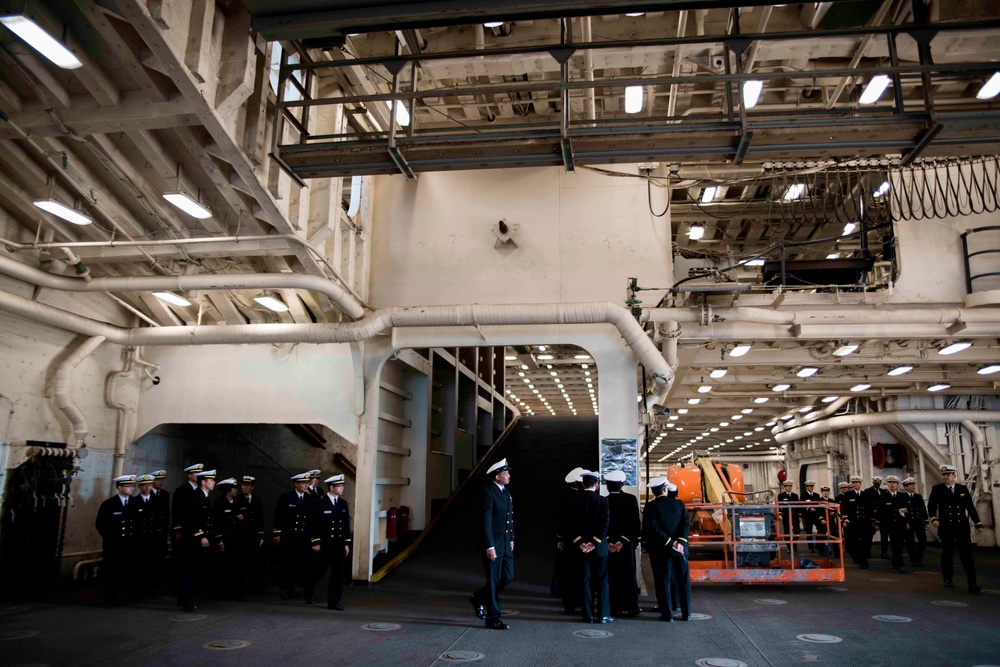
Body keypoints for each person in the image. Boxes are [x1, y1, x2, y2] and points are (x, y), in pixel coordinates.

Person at [470, 458, 514, 630]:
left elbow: (509, 518)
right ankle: (493, 618)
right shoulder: (488, 493)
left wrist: (511, 538)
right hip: (493, 544)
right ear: (497, 476)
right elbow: (485, 522)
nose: (509, 476)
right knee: (494, 580)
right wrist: (490, 546)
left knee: (508, 576)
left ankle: (480, 597)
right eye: (506, 473)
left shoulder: (506, 492)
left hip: (504, 543)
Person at [927, 465, 983, 593]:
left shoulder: (962, 489)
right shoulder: (938, 489)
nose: (946, 477)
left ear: (954, 476)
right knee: (947, 553)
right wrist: (934, 519)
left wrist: (978, 523)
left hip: (961, 527)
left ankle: (972, 583)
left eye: (948, 474)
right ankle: (947, 578)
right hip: (946, 527)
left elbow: (970, 507)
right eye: (944, 475)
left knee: (967, 555)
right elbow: (931, 506)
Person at [642, 478, 690, 621]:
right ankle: (687, 614)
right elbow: (685, 524)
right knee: (683, 581)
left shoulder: (650, 507)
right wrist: (680, 542)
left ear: (653, 492)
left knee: (663, 581)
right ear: (665, 489)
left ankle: (667, 614)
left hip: (660, 550)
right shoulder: (679, 504)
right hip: (680, 550)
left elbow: (653, 529)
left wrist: (670, 542)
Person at [569, 470, 611, 624]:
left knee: (584, 581)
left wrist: (581, 542)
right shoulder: (603, 501)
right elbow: (604, 525)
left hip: (580, 549)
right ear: (597, 485)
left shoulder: (574, 501)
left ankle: (587, 615)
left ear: (583, 484)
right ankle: (603, 615)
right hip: (599, 549)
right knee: (602, 581)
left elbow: (571, 526)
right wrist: (594, 542)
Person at [306, 474, 352, 610]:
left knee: (338, 573)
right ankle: (308, 591)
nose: (342, 488)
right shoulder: (320, 503)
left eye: (343, 486)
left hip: (337, 544)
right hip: (324, 544)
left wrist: (346, 543)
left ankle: (334, 601)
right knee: (318, 571)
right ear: (331, 487)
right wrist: (315, 542)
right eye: (339, 486)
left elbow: (345, 526)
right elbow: (314, 524)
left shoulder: (343, 504)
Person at [273, 472, 316, 601]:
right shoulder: (287, 497)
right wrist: (277, 533)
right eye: (302, 483)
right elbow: (279, 516)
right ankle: (286, 589)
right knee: (287, 564)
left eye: (307, 483)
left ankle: (304, 590)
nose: (305, 486)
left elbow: (313, 517)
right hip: (289, 536)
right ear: (295, 484)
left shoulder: (309, 498)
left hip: (303, 537)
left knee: (303, 564)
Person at [95, 474, 136, 608]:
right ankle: (110, 599)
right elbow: (100, 524)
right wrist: (110, 539)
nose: (131, 489)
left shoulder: (134, 503)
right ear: (119, 487)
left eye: (132, 486)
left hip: (129, 544)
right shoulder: (109, 504)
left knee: (125, 572)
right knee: (112, 572)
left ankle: (122, 596)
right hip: (113, 545)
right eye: (128, 486)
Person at [605, 469, 641, 618]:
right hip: (625, 545)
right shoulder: (631, 500)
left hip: (608, 546)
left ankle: (615, 608)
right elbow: (635, 523)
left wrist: (608, 542)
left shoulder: (603, 501)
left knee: (612, 576)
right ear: (621, 485)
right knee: (628, 574)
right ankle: (632, 607)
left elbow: (603, 524)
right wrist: (624, 541)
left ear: (607, 486)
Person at [181, 469, 216, 612]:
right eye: (211, 480)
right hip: (194, 541)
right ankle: (187, 601)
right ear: (203, 482)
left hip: (202, 540)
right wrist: (201, 535)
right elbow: (192, 519)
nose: (213, 482)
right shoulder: (196, 497)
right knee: (190, 572)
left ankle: (194, 598)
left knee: (197, 572)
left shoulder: (205, 497)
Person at [171, 463, 202, 604]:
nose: (199, 476)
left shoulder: (198, 491)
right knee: (182, 564)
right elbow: (177, 512)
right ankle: (180, 594)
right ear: (189, 475)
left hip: (193, 533)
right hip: (184, 532)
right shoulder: (182, 490)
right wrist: (178, 530)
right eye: (196, 474)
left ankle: (190, 593)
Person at [555, 466, 584, 615]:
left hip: (568, 540)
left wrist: (560, 538)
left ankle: (569, 604)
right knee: (582, 573)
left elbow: (561, 520)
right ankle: (582, 601)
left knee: (568, 573)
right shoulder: (585, 497)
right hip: (584, 542)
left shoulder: (565, 497)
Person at [213, 477, 246, 600]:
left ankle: (237, 592)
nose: (236, 490)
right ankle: (216, 591)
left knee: (236, 566)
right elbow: (217, 523)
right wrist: (219, 540)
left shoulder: (237, 502)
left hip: (235, 539)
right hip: (225, 539)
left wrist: (242, 518)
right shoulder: (219, 503)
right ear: (227, 490)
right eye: (234, 488)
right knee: (220, 566)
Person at [129, 474, 159, 599]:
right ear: (140, 487)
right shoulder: (134, 501)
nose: (147, 487)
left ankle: (148, 590)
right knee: (138, 566)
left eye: (150, 485)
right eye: (145, 485)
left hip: (151, 538)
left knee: (150, 566)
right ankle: (136, 591)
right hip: (139, 539)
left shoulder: (156, 501)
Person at [239, 475, 267, 593]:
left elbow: (259, 519)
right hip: (242, 535)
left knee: (256, 562)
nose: (244, 487)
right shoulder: (238, 500)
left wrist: (260, 534)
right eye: (243, 485)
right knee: (241, 563)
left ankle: (258, 587)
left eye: (247, 485)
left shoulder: (256, 501)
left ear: (252, 487)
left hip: (253, 535)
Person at [879, 475, 909, 573]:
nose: (892, 485)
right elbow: (881, 512)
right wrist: (880, 523)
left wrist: (907, 522)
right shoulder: (884, 497)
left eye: (894, 483)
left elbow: (906, 510)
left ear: (897, 485)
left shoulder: (903, 496)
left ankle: (895, 560)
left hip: (901, 524)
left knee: (900, 544)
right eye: (890, 483)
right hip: (890, 524)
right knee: (894, 543)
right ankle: (900, 563)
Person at [840, 475, 869, 568]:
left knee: (864, 542)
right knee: (854, 543)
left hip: (863, 522)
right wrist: (845, 518)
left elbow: (869, 509)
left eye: (857, 483)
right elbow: (844, 508)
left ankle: (863, 559)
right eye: (853, 483)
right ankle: (858, 559)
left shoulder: (865, 494)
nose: (855, 484)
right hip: (853, 522)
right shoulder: (848, 495)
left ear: (860, 484)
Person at [150, 470, 170, 589]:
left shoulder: (164, 494)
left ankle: (156, 582)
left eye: (162, 480)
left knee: (160, 557)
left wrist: (166, 526)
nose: (160, 482)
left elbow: (166, 512)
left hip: (161, 531)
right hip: (152, 531)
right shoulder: (148, 495)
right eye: (158, 479)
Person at [902, 477, 928, 566]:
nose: (913, 486)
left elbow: (923, 510)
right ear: (906, 487)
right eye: (910, 485)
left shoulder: (918, 497)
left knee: (923, 540)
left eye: (913, 484)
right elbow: (901, 511)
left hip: (918, 521)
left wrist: (926, 521)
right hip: (909, 522)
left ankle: (919, 558)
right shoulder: (902, 497)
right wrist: (905, 522)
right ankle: (913, 560)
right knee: (910, 542)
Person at [861, 476, 887, 559]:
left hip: (882, 516)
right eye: (875, 483)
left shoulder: (883, 492)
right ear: (873, 483)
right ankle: (867, 553)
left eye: (878, 483)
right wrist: (873, 510)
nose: (877, 484)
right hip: (871, 516)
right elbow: (865, 504)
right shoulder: (867, 491)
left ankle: (884, 553)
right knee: (869, 535)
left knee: (884, 536)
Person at [777, 480, 801, 556]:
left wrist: (798, 515)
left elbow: (798, 506)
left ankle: (794, 544)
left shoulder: (795, 496)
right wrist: (779, 514)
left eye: (790, 486)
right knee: (787, 531)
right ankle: (789, 546)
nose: (789, 488)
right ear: (785, 487)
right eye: (787, 486)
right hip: (786, 515)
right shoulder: (781, 495)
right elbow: (779, 506)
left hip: (794, 516)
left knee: (797, 530)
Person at [800, 480, 825, 554]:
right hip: (808, 516)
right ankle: (811, 547)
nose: (811, 488)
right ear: (807, 487)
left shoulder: (816, 495)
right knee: (809, 532)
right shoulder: (803, 495)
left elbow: (818, 505)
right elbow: (802, 505)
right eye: (809, 486)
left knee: (821, 528)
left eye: (812, 486)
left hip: (816, 516)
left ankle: (818, 545)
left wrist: (816, 509)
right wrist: (809, 508)